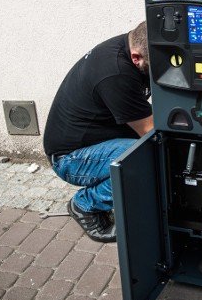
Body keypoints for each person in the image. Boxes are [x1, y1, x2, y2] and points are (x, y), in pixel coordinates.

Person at [43, 22, 153, 243]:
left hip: (95, 141)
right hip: (70, 158)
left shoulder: (129, 45)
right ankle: (85, 204)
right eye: (155, 66)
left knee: (146, 151)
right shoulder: (116, 74)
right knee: (144, 156)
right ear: (136, 58)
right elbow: (149, 130)